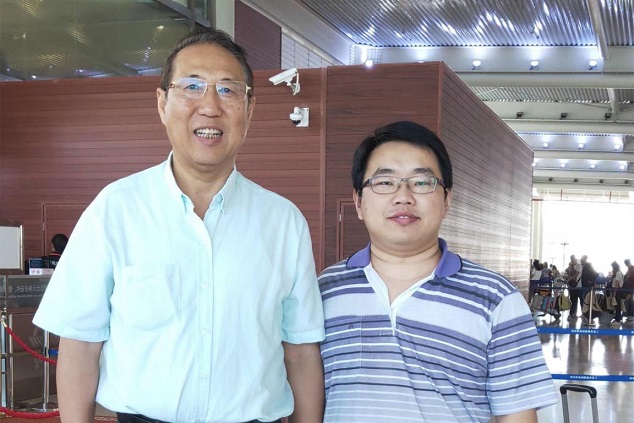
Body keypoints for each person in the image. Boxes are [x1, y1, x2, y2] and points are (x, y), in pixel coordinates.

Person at [33, 28, 325, 423]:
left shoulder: (284, 223)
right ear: (162, 103)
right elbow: (80, 346)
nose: (210, 106)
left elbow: (301, 353)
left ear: (250, 109)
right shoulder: (115, 210)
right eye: (192, 86)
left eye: (228, 90)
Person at [318, 121, 557, 422]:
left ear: (446, 200)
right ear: (358, 202)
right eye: (385, 182)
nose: (403, 196)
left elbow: (517, 415)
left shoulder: (496, 298)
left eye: (421, 182)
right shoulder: (324, 290)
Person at [609, 261, 624, 325]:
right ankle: (617, 317)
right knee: (616, 304)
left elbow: (617, 284)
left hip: (617, 290)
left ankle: (618, 319)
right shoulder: (619, 272)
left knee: (617, 305)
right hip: (617, 290)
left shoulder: (618, 273)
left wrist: (615, 292)